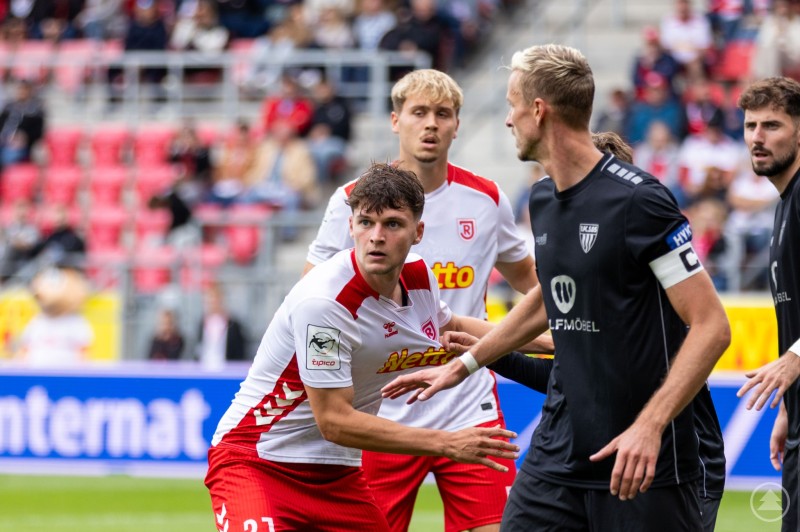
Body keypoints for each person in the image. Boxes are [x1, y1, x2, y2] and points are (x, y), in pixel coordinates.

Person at [382, 44, 731, 531]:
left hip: (641, 460)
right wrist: (465, 365)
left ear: (538, 111)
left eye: (511, 105)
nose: (508, 120)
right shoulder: (543, 198)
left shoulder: (639, 201)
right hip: (558, 454)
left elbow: (712, 326)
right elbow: (550, 296)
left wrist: (649, 427)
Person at [204, 162, 521, 531]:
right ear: (350, 226)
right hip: (257, 461)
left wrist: (554, 341)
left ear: (417, 232)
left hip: (337, 473)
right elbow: (334, 422)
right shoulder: (324, 303)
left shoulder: (418, 275)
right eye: (366, 222)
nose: (376, 236)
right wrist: (448, 444)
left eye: (392, 224)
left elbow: (455, 328)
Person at [303, 69, 538, 532]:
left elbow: (534, 285)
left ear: (456, 125)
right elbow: (310, 296)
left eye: (443, 114)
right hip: (381, 410)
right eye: (419, 112)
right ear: (395, 121)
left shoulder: (486, 200)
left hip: (467, 402)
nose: (431, 124)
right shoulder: (351, 201)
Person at [477, 130, 726, 532]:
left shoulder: (648, 271)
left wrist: (472, 341)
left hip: (671, 464)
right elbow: (564, 376)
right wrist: (477, 353)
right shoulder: (580, 270)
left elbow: (711, 328)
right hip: (578, 460)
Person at [734, 76, 800, 532]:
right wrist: (789, 408)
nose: (758, 137)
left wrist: (794, 359)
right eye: (751, 125)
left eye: (772, 125)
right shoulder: (784, 204)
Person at [196, 284, 247, 370]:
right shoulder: (202, 323)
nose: (213, 304)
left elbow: (239, 351)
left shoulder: (233, 325)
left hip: (227, 371)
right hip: (205, 370)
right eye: (210, 301)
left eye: (216, 300)